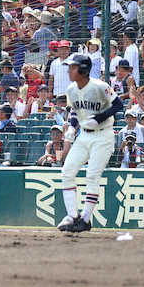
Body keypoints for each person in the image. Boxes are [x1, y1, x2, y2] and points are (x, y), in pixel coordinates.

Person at [56, 53, 121, 233]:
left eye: (73, 67)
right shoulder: (71, 89)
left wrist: (100, 118)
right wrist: (71, 129)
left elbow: (118, 105)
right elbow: (76, 112)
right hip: (84, 135)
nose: (69, 70)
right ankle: (72, 216)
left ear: (83, 70)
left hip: (103, 135)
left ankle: (85, 218)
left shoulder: (100, 86)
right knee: (67, 171)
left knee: (92, 175)